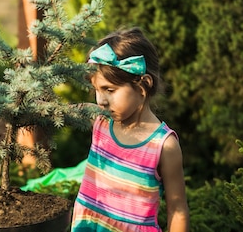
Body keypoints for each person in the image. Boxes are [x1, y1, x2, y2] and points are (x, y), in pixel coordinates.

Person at [71, 27, 190, 231]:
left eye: (109, 90)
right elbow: (54, 112)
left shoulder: (164, 145)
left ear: (143, 86)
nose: (100, 100)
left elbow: (177, 210)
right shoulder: (100, 121)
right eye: (96, 90)